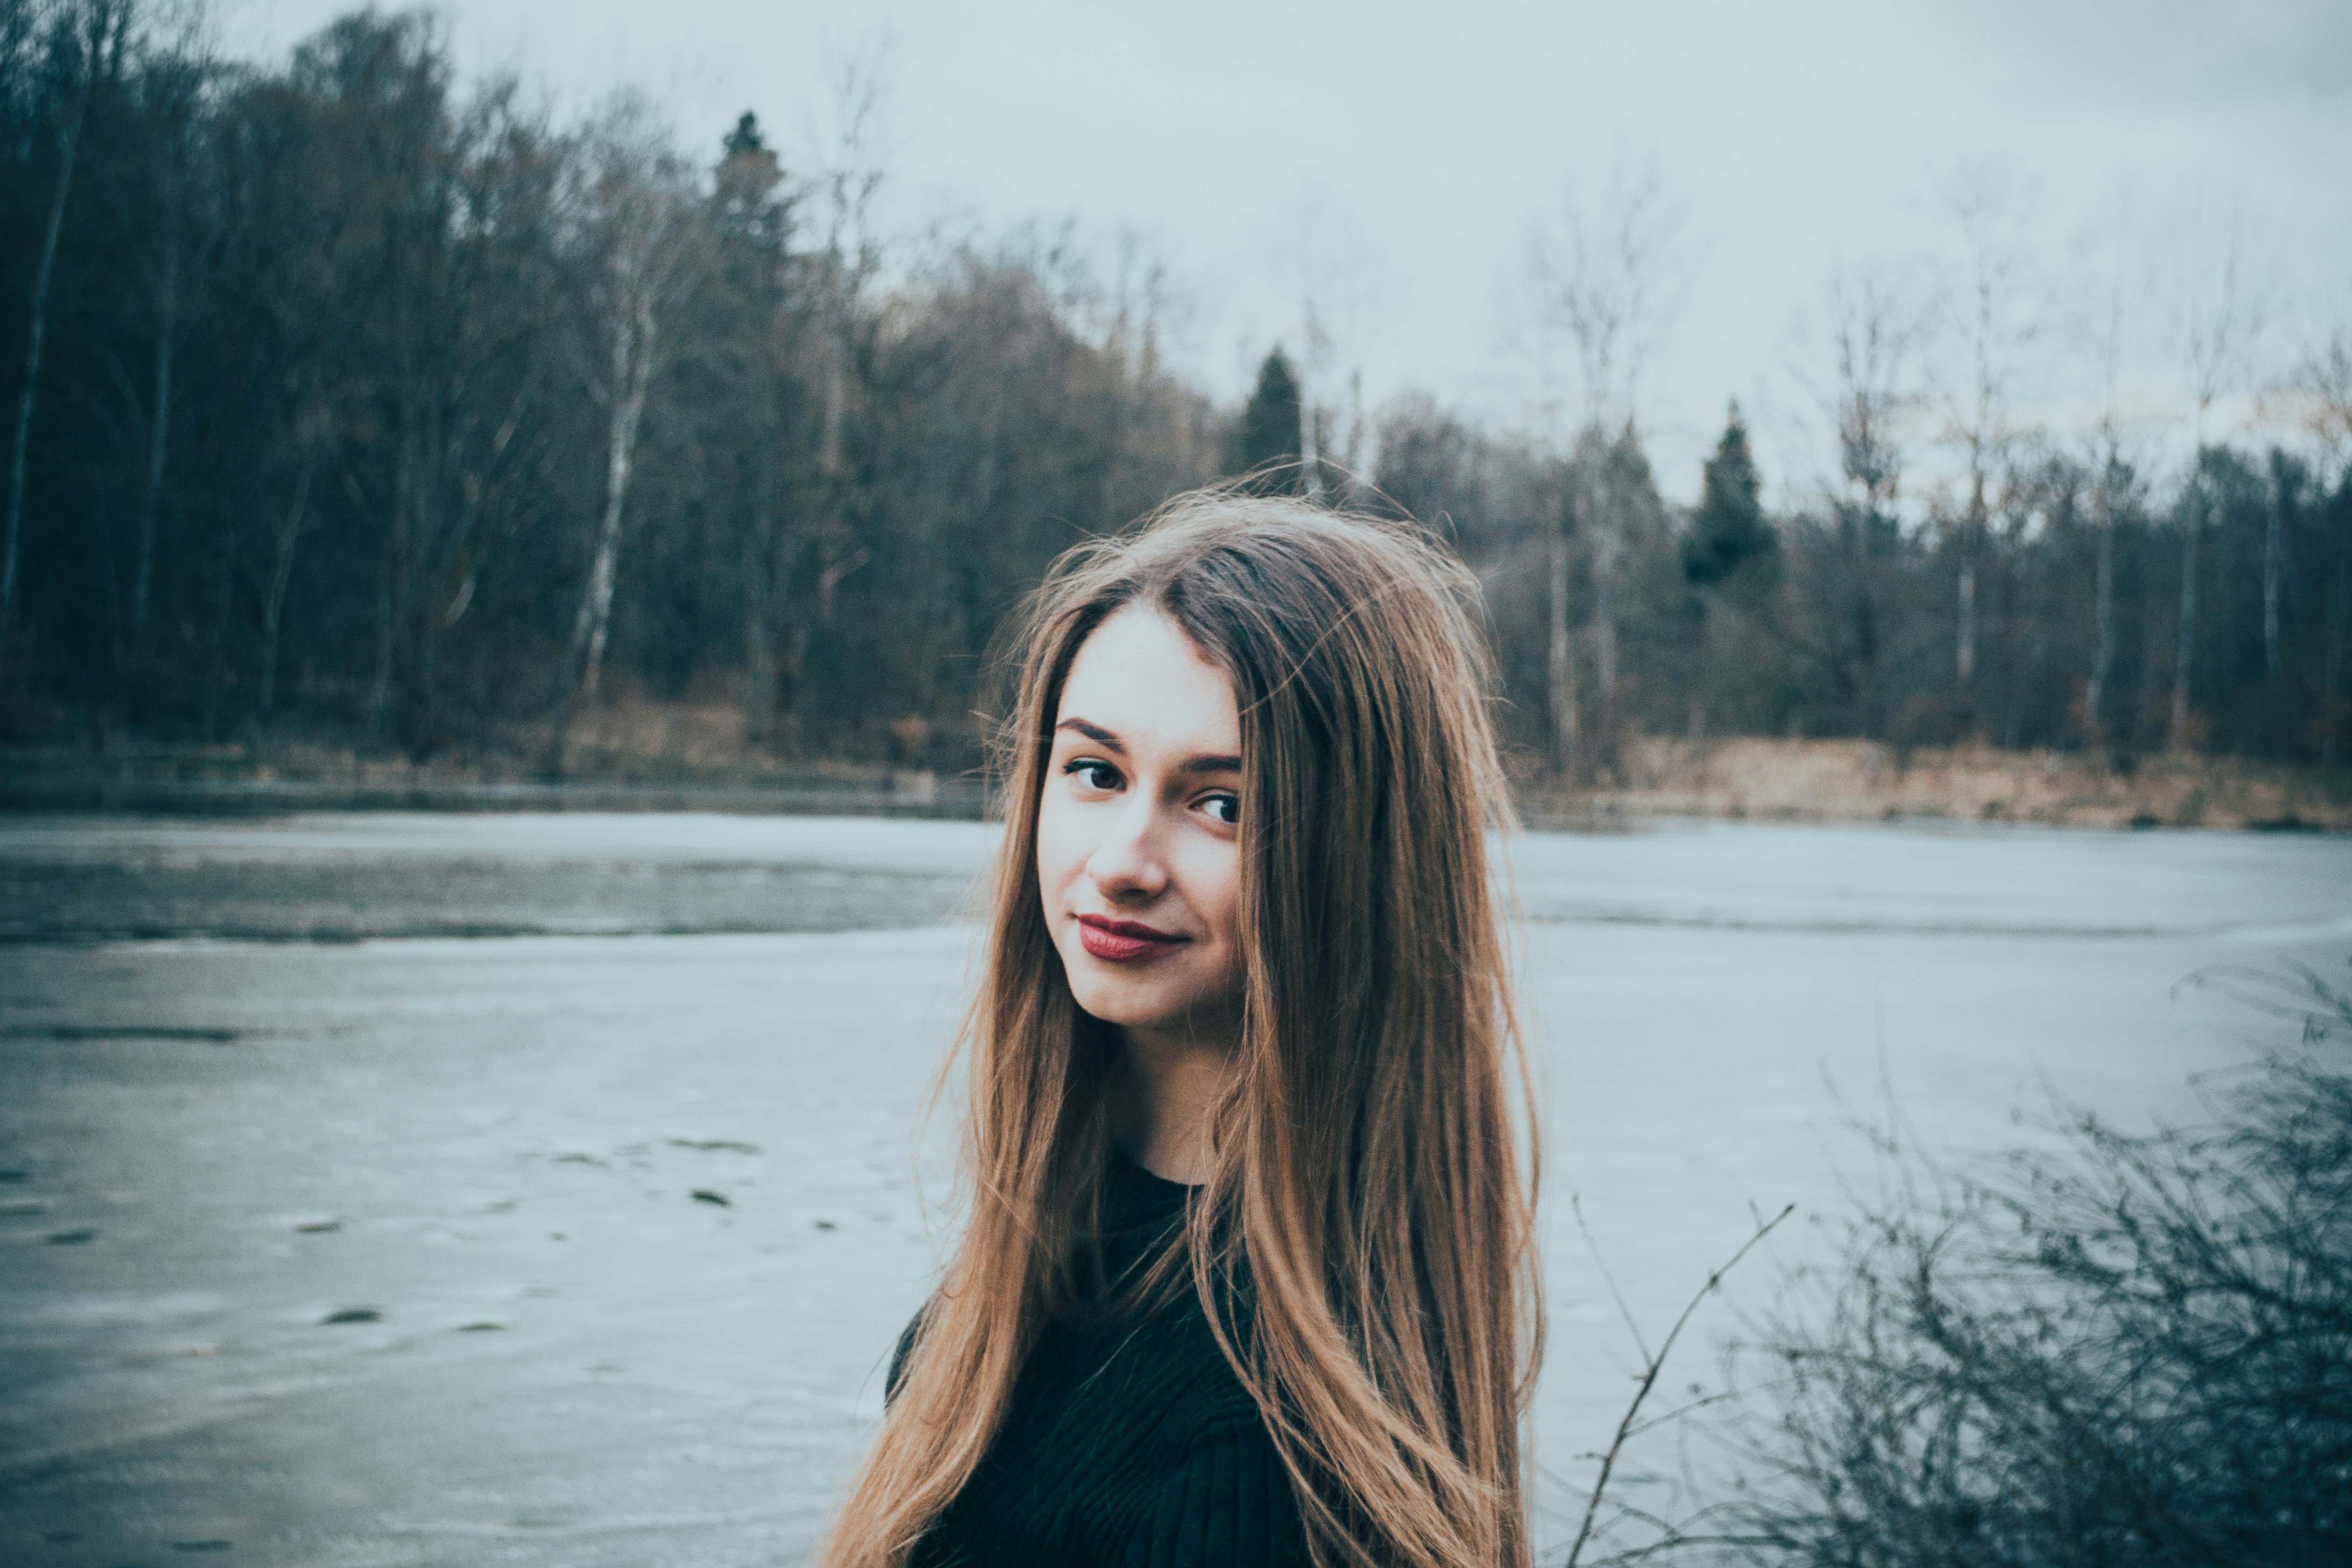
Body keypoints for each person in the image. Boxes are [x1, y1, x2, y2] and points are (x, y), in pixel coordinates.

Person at [820, 486, 1542, 1568]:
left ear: (1360, 861)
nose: (1120, 859)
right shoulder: (1068, 1223)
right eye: (1095, 772)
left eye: (1221, 803)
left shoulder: (1251, 1456)